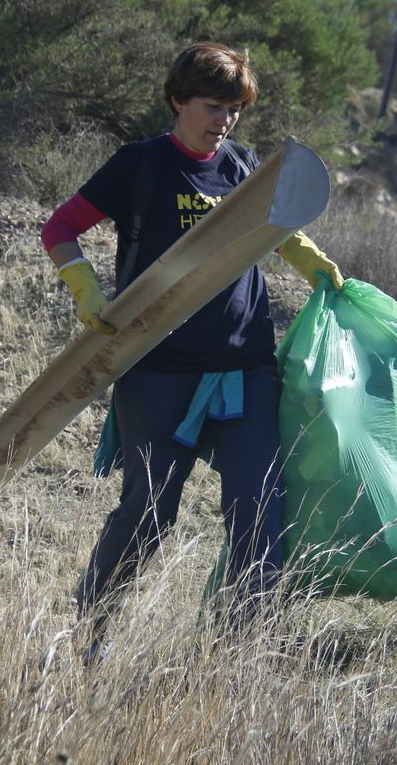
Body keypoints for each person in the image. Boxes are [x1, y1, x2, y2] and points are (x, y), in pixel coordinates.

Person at [40, 41, 343, 649]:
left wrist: (310, 259)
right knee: (149, 513)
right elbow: (61, 227)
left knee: (258, 511)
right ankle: (91, 629)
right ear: (178, 100)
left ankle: (239, 653)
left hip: (244, 367)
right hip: (157, 366)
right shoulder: (141, 164)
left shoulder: (244, 167)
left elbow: (277, 231)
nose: (224, 121)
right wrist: (85, 288)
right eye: (213, 106)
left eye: (234, 109)